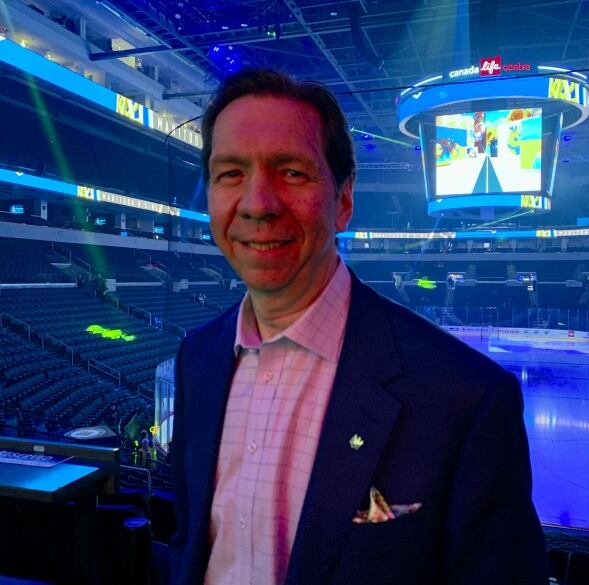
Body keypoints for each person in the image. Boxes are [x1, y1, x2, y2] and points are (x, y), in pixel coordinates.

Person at [170, 68, 547, 585]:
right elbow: (191, 543)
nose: (258, 204)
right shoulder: (198, 358)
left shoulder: (468, 399)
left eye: (292, 172)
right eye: (230, 173)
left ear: (344, 200)